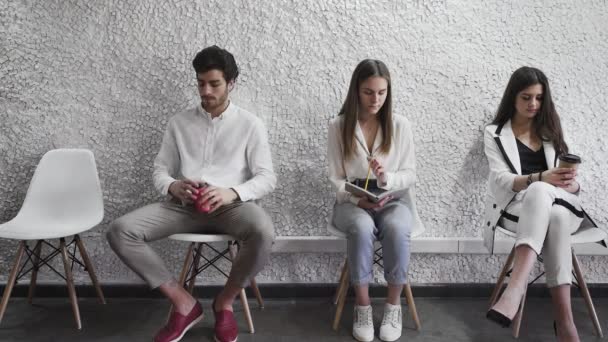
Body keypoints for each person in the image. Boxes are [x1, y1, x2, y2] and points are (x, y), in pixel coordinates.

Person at [107, 45, 276, 342]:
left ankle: (224, 303)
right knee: (120, 231)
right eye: (201, 83)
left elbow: (267, 178)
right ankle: (184, 303)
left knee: (263, 230)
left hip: (230, 208)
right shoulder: (179, 122)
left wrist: (231, 192)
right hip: (183, 206)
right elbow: (160, 170)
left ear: (231, 83)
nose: (206, 91)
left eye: (214, 84)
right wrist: (172, 185)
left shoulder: (251, 125)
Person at [484, 66, 604, 342]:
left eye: (538, 98)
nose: (533, 104)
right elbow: (502, 179)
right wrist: (540, 178)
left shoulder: (552, 129)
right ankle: (565, 324)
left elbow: (574, 186)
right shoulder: (495, 133)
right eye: (526, 97)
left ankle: (514, 289)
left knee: (544, 194)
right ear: (513, 97)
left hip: (563, 201)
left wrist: (566, 182)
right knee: (555, 216)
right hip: (518, 210)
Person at [327, 59, 424, 342]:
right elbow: (335, 178)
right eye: (369, 92)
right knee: (361, 228)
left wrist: (386, 179)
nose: (376, 99)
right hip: (352, 201)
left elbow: (410, 174)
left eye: (382, 92)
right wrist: (358, 201)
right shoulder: (338, 126)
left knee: (396, 227)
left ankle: (393, 306)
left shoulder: (399, 125)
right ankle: (363, 306)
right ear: (356, 90)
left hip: (394, 198)